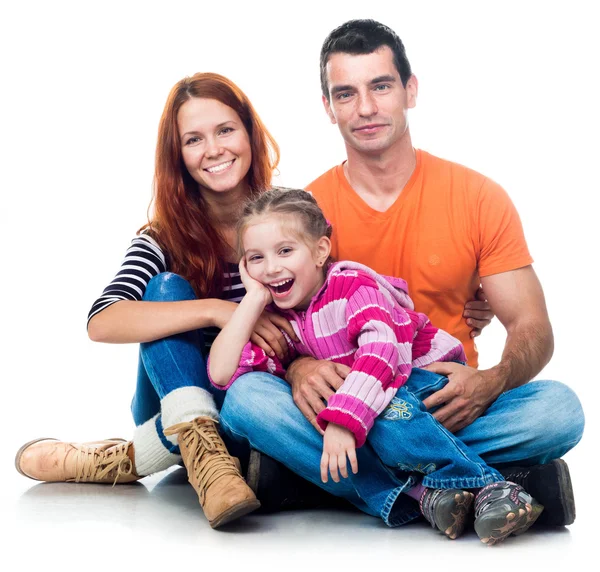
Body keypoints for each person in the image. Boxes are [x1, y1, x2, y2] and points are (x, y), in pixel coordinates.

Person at [215, 19, 584, 530]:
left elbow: (532, 327)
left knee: (559, 411)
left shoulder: (477, 197)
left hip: (444, 399)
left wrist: (490, 382)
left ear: (410, 91)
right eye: (346, 93)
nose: (365, 108)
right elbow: (286, 327)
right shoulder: (304, 215)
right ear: (328, 107)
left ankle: (316, 480)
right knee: (248, 401)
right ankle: (475, 487)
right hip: (349, 396)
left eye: (381, 86)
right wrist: (299, 371)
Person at [14, 72, 295, 529]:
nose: (215, 149)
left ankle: (124, 460)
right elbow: (102, 321)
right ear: (179, 156)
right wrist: (220, 311)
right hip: (171, 400)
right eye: (194, 139)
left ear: (249, 132)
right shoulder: (164, 237)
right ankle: (202, 448)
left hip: (251, 399)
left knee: (254, 404)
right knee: (164, 287)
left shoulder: (287, 224)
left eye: (225, 130)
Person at [209, 187, 544, 544]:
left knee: (386, 414)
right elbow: (222, 374)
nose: (271, 267)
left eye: (285, 251)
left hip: (421, 383)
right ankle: (428, 495)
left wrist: (343, 424)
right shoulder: (277, 316)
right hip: (370, 403)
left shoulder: (352, 284)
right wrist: (253, 299)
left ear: (320, 250)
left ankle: (491, 485)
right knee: (247, 402)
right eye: (255, 258)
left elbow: (383, 353)